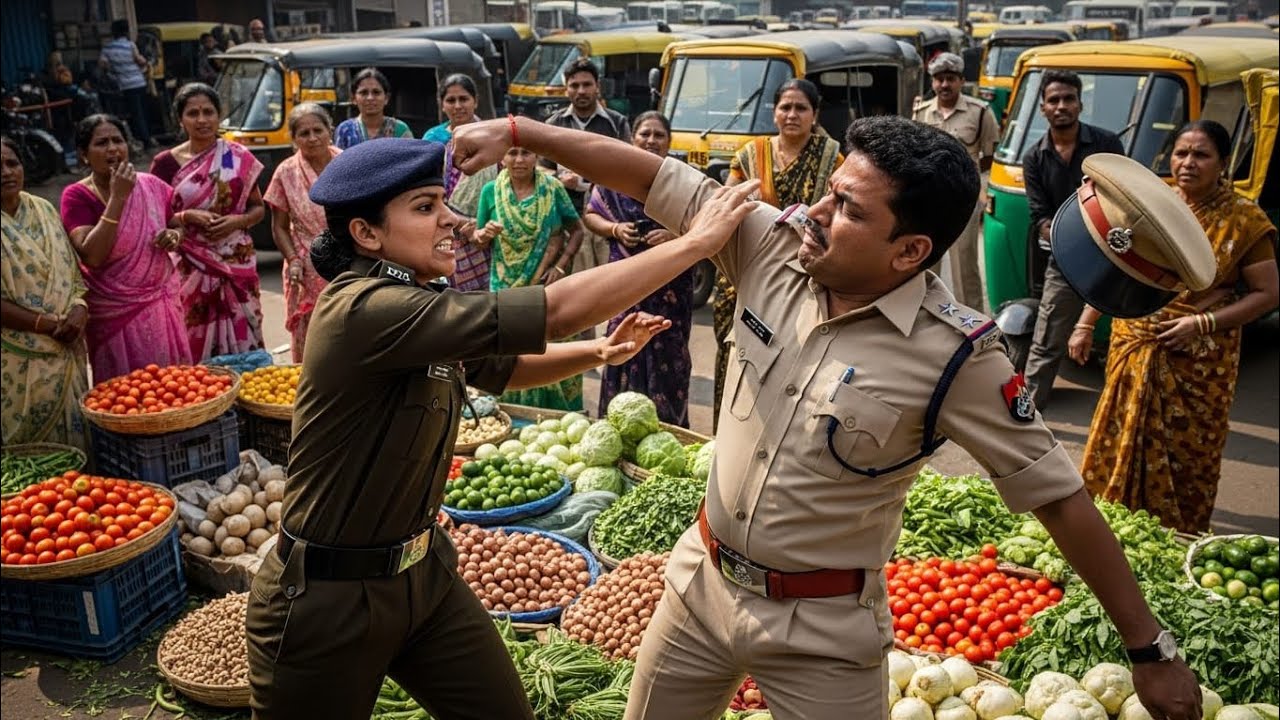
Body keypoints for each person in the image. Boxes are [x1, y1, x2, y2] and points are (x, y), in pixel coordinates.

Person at [451, 114, 1205, 720]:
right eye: (829, 191)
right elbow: (650, 176)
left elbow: (1059, 498)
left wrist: (1151, 650)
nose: (814, 211)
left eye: (847, 208)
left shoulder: (960, 357)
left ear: (909, 250)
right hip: (698, 586)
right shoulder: (771, 247)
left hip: (825, 630)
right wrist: (522, 132)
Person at [245, 136, 756, 720]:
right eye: (425, 208)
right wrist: (696, 244)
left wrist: (598, 354)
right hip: (328, 600)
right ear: (366, 234)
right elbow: (555, 309)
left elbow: (499, 368)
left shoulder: (413, 298)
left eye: (443, 202)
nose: (453, 221)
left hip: (423, 576)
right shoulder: (365, 309)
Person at [1071, 121, 1279, 534]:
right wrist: (1083, 324)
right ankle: (1110, 531)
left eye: (1201, 154)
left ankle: (1176, 536)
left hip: (1199, 359)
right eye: (1181, 153)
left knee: (1188, 455)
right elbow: (1113, 273)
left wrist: (1202, 323)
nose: (1187, 163)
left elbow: (1269, 293)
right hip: (1134, 340)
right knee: (1118, 439)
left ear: (1223, 163)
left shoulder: (1244, 220)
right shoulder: (1148, 206)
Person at [719, 78, 842, 430]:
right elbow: (728, 202)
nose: (792, 115)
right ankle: (727, 432)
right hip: (743, 268)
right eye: (785, 107)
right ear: (774, 113)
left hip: (800, 273)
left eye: (801, 108)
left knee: (788, 355)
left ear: (814, 114)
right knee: (736, 353)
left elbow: (840, 215)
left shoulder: (832, 157)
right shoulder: (750, 153)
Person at [59, 114, 191, 381]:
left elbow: (177, 225)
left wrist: (174, 236)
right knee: (126, 395)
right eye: (101, 143)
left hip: (159, 304)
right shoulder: (76, 196)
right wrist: (118, 197)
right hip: (113, 313)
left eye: (118, 140)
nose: (112, 149)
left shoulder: (151, 186)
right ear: (84, 155)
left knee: (172, 388)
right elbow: (92, 256)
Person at [1020, 69, 1123, 409]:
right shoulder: (1034, 157)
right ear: (1043, 108)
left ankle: (1130, 410)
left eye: (1068, 99)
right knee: (1047, 339)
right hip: (1065, 260)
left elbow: (1124, 198)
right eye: (1054, 100)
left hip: (1115, 256)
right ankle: (1029, 413)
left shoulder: (1107, 144)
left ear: (1080, 104)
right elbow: (1040, 217)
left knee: (1130, 335)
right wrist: (1072, 240)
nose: (1061, 105)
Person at [583, 112, 694, 426]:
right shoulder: (615, 176)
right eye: (645, 133)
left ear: (669, 142)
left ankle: (670, 429)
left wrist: (676, 236)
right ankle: (616, 427)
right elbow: (592, 214)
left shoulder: (684, 181)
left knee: (668, 352)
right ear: (633, 138)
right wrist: (615, 229)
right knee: (622, 345)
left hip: (671, 283)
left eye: (659, 135)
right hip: (626, 279)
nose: (651, 140)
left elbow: (708, 224)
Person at [150, 83, 266, 360]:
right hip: (189, 265)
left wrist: (235, 222)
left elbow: (258, 208)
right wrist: (187, 216)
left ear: (219, 116)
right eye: (193, 113)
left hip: (235, 261)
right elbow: (155, 218)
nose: (202, 120)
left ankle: (247, 396)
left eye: (208, 112)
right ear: (180, 119)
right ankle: (205, 399)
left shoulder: (237, 156)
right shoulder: (165, 164)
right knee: (193, 338)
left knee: (246, 335)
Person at [474, 144, 585, 410]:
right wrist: (485, 234)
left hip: (544, 287)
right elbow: (478, 238)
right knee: (509, 353)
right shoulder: (491, 191)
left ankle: (555, 414)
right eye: (512, 153)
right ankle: (511, 414)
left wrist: (560, 265)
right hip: (505, 288)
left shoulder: (553, 189)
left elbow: (577, 230)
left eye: (526, 153)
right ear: (502, 158)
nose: (519, 159)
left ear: (536, 157)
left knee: (550, 346)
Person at [1, 136, 90, 449]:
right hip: (15, 356)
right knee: (24, 450)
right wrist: (45, 325)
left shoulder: (43, 209)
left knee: (77, 451)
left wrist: (80, 309)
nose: (6, 172)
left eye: (12, 163)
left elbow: (71, 272)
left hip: (66, 344)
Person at [913, 52, 998, 311]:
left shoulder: (980, 112)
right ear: (933, 82)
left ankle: (971, 323)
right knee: (926, 260)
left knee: (964, 265)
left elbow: (990, 156)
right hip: (930, 198)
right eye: (939, 79)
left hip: (965, 198)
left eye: (950, 78)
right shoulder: (921, 112)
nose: (944, 85)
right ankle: (924, 315)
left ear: (962, 80)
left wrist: (970, 180)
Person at [264, 103, 340, 363]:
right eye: (303, 133)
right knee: (310, 339)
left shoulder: (346, 163)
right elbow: (279, 226)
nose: (312, 138)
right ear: (293, 139)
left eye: (317, 130)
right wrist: (294, 259)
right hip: (305, 269)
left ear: (330, 130)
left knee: (347, 330)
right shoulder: (286, 172)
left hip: (347, 265)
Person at [544, 57, 632, 277]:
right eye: (574, 85)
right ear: (566, 90)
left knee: (607, 280)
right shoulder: (554, 124)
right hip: (566, 221)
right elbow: (540, 169)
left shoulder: (617, 122)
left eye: (587, 85)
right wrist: (558, 178)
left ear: (597, 87)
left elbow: (629, 165)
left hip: (608, 218)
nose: (581, 91)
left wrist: (598, 180)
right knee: (571, 283)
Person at [419, 75, 498, 291]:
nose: (457, 106)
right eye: (451, 100)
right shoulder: (433, 137)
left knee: (486, 296)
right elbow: (424, 184)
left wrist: (480, 227)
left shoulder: (492, 134)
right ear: (442, 104)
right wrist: (459, 222)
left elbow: (503, 183)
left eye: (464, 99)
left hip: (486, 229)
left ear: (476, 101)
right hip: (444, 225)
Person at [97, 19, 153, 149]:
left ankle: (141, 138)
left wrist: (114, 68)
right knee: (142, 112)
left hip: (124, 85)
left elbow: (102, 64)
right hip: (139, 82)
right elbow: (140, 61)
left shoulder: (107, 48)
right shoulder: (130, 45)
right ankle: (146, 139)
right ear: (126, 31)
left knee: (135, 112)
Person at [333, 68, 414, 150]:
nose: (370, 98)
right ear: (353, 98)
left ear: (386, 98)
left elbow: (411, 161)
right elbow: (339, 161)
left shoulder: (400, 129)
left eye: (376, 92)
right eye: (364, 93)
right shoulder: (345, 130)